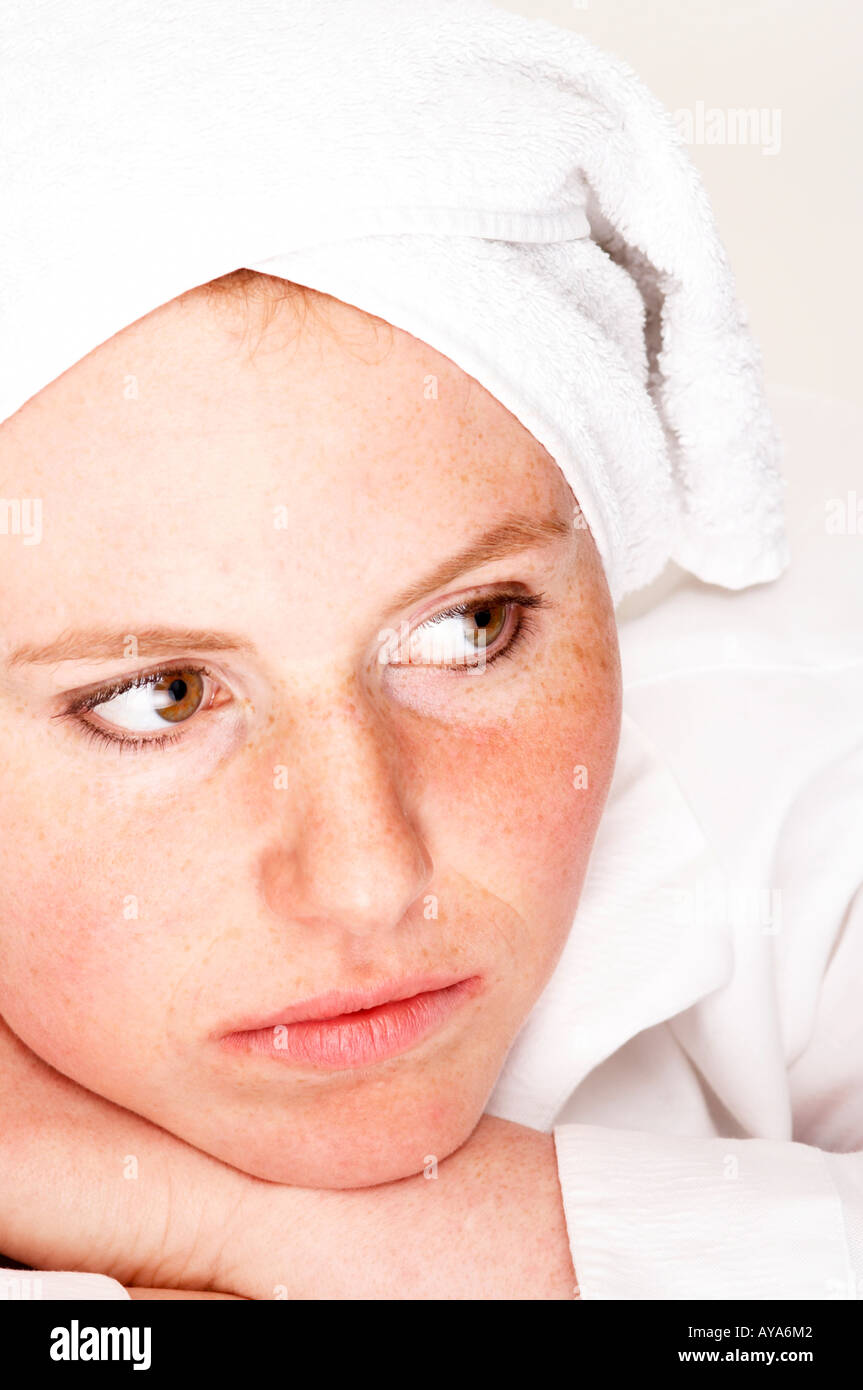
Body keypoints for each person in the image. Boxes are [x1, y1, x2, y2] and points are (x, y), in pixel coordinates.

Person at [0, 0, 860, 1300]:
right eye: (156, 696)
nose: (368, 880)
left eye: (471, 629)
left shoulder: (803, 712)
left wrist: (251, 1227)